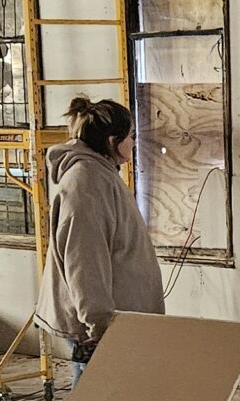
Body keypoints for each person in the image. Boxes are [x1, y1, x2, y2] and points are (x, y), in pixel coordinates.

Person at [40, 96, 164, 363]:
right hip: (101, 327)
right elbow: (85, 262)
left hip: (116, 322)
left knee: (104, 389)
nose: (134, 143)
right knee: (96, 389)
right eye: (130, 136)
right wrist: (99, 326)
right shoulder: (86, 183)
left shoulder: (101, 174)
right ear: (111, 141)